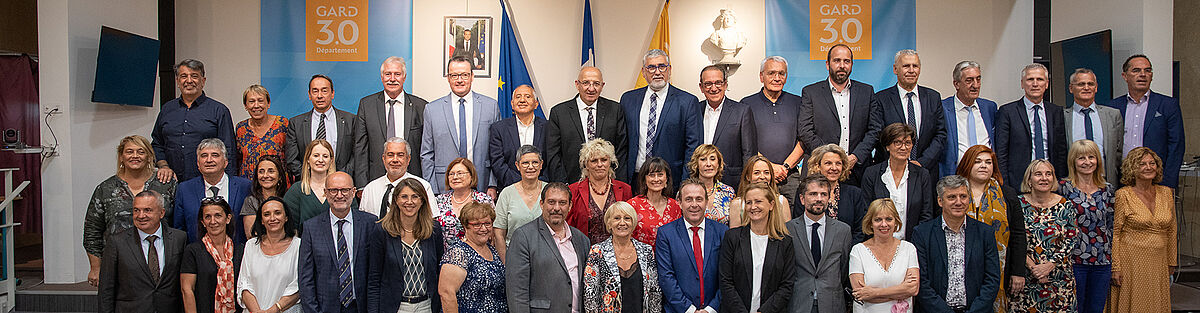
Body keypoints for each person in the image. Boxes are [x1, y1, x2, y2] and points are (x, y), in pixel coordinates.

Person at [84, 135, 177, 287]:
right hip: (118, 263)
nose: (135, 156)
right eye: (129, 152)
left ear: (149, 157)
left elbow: (177, 223)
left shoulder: (166, 184)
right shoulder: (105, 188)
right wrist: (96, 267)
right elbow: (92, 231)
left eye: (141, 152)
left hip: (159, 262)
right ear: (121, 157)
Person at [911, 175, 1001, 313]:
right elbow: (921, 282)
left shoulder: (985, 232)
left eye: (963, 196)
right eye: (952, 197)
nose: (958, 202)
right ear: (940, 201)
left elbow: (992, 279)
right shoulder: (922, 233)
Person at [954, 145, 1027, 310]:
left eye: (988, 162)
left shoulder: (1007, 194)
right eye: (977, 161)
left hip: (999, 270)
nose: (983, 165)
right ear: (967, 164)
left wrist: (1018, 271)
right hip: (959, 267)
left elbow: (1018, 235)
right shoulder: (953, 193)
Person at [798, 44, 881, 186]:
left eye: (846, 61)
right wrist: (830, 159)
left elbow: (875, 130)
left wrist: (855, 157)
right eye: (837, 61)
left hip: (858, 170)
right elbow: (805, 130)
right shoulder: (811, 92)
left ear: (852, 64)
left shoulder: (866, 92)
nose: (842, 65)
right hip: (820, 170)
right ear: (827, 64)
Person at [1108, 147, 1177, 313]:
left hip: (1158, 263)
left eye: (1152, 163)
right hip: (1131, 262)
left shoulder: (1167, 193)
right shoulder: (1123, 195)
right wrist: (1115, 267)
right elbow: (1115, 233)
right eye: (1142, 164)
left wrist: (1172, 262)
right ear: (1132, 168)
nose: (1148, 167)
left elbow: (1172, 230)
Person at [297, 172, 377, 313]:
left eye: (345, 190)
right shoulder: (311, 228)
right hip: (325, 308)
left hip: (361, 306)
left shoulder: (370, 223)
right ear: (325, 193)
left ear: (353, 192)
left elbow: (376, 273)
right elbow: (306, 279)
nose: (339, 195)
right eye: (333, 190)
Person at [620, 49, 702, 186]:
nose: (657, 72)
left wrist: (685, 184)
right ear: (643, 72)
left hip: (671, 181)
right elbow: (622, 144)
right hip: (635, 179)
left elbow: (692, 148)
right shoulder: (628, 100)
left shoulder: (687, 102)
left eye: (662, 67)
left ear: (669, 70)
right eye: (651, 67)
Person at [506, 182, 591, 313]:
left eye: (562, 203)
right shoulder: (523, 237)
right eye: (551, 202)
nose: (556, 208)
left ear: (570, 206)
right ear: (542, 204)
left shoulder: (581, 239)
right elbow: (517, 291)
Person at [98, 190, 187, 313]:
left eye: (147, 210)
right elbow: (106, 290)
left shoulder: (179, 239)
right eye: (136, 210)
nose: (141, 215)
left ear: (161, 213)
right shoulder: (117, 242)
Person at [422, 56, 500, 195]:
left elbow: (497, 151)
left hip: (481, 184)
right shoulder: (432, 109)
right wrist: (431, 188)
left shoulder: (491, 106)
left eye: (464, 75)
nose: (459, 80)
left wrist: (492, 184)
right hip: (443, 187)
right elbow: (427, 153)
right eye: (454, 75)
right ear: (448, 77)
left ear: (472, 76)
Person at [1106, 54, 1185, 188]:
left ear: (1151, 76)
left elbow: (1176, 146)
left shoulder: (1168, 105)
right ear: (1125, 76)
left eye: (1147, 70)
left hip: (1157, 182)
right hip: (1122, 181)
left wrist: (1167, 183)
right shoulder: (1112, 107)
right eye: (1136, 70)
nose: (1143, 74)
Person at [152, 59, 237, 183]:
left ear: (203, 81)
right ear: (177, 81)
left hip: (207, 183)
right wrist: (163, 166)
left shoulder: (219, 110)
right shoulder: (167, 109)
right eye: (184, 76)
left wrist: (228, 184)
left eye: (194, 76)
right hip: (170, 181)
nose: (189, 81)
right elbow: (157, 144)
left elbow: (229, 150)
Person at [368, 178, 445, 313]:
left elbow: (440, 270)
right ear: (396, 200)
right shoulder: (382, 231)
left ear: (422, 201)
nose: (409, 202)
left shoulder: (433, 229)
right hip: (396, 307)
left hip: (427, 306)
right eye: (404, 196)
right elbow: (374, 279)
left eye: (415, 196)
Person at [1010, 160, 1078, 311]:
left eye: (1049, 174)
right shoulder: (1017, 204)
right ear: (1029, 179)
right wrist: (1034, 268)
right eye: (1038, 174)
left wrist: (1049, 265)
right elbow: (1012, 238)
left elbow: (1071, 239)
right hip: (1026, 279)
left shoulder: (1065, 205)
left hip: (1059, 280)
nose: (1044, 178)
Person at [718, 183, 796, 313]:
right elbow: (725, 281)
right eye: (749, 202)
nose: (753, 207)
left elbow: (786, 285)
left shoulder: (784, 242)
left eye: (758, 201)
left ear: (771, 205)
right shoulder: (732, 237)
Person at [1057, 140, 1114, 313]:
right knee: (1075, 307)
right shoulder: (1063, 188)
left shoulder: (1107, 189)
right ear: (1073, 161)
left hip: (1102, 261)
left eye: (1091, 157)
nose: (1087, 162)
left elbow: (1111, 226)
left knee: (1096, 308)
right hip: (1074, 260)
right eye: (1081, 158)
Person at [655, 178, 728, 313]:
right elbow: (666, 276)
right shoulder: (666, 234)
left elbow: (727, 276)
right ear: (680, 203)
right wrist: (689, 310)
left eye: (699, 199)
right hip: (678, 310)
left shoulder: (722, 232)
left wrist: (711, 309)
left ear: (706, 202)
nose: (694, 205)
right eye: (688, 199)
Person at [741, 56, 807, 202]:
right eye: (771, 73)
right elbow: (746, 142)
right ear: (761, 76)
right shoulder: (746, 104)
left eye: (781, 74)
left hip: (790, 176)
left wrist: (785, 167)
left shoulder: (798, 102)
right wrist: (769, 168)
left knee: (790, 221)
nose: (777, 78)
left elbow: (804, 139)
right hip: (759, 176)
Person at [547, 66, 629, 183]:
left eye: (596, 84)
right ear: (577, 84)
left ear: (602, 86)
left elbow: (621, 150)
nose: (591, 88)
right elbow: (554, 154)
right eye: (586, 83)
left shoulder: (615, 110)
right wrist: (562, 185)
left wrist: (618, 183)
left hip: (607, 184)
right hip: (571, 183)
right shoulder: (559, 113)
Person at [354, 56, 429, 183]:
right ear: (382, 77)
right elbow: (360, 148)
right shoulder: (367, 105)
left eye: (397, 74)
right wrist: (361, 184)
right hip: (376, 179)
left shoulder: (421, 106)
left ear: (404, 77)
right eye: (388, 74)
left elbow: (426, 150)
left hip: (412, 179)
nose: (392, 79)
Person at [994, 63, 1068, 188]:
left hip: (1049, 182)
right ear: (1022, 84)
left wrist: (1060, 183)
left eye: (1039, 79)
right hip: (1018, 183)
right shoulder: (1008, 111)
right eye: (1030, 79)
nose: (1035, 84)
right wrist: (1005, 186)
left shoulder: (1056, 112)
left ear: (1047, 84)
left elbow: (1061, 151)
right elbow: (1001, 153)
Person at [785, 177, 852, 313]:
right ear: (802, 199)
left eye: (824, 194)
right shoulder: (788, 229)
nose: (819, 199)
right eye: (813, 194)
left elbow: (843, 269)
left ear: (829, 198)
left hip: (831, 303)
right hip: (798, 303)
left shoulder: (843, 230)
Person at [873, 49, 946, 172]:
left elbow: (940, 134)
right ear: (895, 69)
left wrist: (922, 162)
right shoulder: (880, 99)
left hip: (926, 170)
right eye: (906, 66)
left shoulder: (933, 97)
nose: (911, 70)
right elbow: (878, 135)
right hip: (890, 170)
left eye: (915, 66)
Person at [583, 201, 664, 312]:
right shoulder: (597, 252)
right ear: (609, 223)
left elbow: (655, 293)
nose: (622, 223)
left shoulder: (646, 251)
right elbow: (590, 295)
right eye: (616, 218)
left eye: (627, 218)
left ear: (633, 222)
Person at [860, 123, 934, 240]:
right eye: (898, 142)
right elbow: (866, 212)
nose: (903, 147)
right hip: (878, 243)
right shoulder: (871, 174)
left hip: (912, 244)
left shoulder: (922, 175)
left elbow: (926, 214)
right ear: (887, 146)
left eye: (908, 143)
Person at [174, 138, 252, 244]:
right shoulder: (184, 189)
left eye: (215, 155)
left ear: (225, 162)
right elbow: (179, 230)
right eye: (204, 156)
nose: (209, 160)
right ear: (198, 163)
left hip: (239, 255)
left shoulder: (245, 186)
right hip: (198, 256)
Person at [848, 199, 920, 313]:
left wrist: (874, 293)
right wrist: (900, 291)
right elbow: (860, 294)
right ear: (870, 223)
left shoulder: (909, 249)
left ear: (896, 221)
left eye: (889, 219)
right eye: (878, 219)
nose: (884, 224)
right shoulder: (858, 251)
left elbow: (913, 289)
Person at [285, 74, 358, 182]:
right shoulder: (296, 123)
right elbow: (292, 159)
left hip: (342, 185)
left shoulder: (351, 120)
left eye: (324, 91)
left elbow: (357, 155)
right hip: (308, 186)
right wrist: (311, 178)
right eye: (315, 91)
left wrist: (338, 177)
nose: (319, 95)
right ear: (309, 95)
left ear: (332, 93)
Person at [438, 202, 506, 312]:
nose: (483, 229)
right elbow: (446, 294)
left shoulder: (491, 250)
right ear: (465, 226)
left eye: (487, 223)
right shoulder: (458, 253)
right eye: (477, 225)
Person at [236, 197, 301, 313]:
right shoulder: (251, 245)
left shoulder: (298, 246)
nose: (272, 218)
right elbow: (244, 284)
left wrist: (273, 310)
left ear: (286, 217)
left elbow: (297, 287)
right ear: (261, 220)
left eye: (277, 213)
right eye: (266, 214)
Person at [181, 198, 245, 313]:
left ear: (228, 218)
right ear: (202, 222)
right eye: (207, 217)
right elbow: (187, 289)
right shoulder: (193, 251)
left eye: (218, 215)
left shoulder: (241, 250)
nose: (213, 221)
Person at [1063, 68, 1124, 187]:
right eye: (1081, 84)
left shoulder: (1113, 115)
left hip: (1106, 182)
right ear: (1071, 88)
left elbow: (1118, 153)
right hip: (1073, 184)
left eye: (1090, 84)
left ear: (1096, 88)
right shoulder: (1062, 116)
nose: (1086, 88)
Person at [697, 65, 756, 188]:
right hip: (698, 182)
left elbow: (748, 153)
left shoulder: (742, 111)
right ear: (701, 87)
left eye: (718, 83)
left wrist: (746, 185)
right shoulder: (694, 110)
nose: (714, 88)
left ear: (725, 85)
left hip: (731, 182)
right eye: (708, 84)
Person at [940, 61, 998, 178]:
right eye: (969, 80)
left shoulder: (989, 107)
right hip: (955, 177)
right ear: (956, 84)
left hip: (985, 178)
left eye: (978, 79)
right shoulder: (943, 108)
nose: (975, 85)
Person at [568, 138, 633, 243]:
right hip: (585, 251)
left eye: (604, 160)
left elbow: (631, 223)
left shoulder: (625, 189)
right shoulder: (573, 190)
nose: (599, 164)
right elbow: (569, 227)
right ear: (586, 164)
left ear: (610, 162)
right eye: (594, 161)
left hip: (618, 251)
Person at [801, 144, 868, 242]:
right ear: (818, 166)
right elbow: (799, 226)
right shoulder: (806, 191)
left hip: (848, 251)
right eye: (828, 163)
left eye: (838, 163)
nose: (834, 168)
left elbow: (860, 230)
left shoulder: (855, 194)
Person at [358, 138, 436, 218]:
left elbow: (432, 221)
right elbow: (363, 222)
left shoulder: (423, 186)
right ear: (384, 159)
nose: (395, 160)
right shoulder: (370, 189)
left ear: (408, 159)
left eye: (400, 155)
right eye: (390, 155)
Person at [489, 85, 548, 187]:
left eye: (527, 96)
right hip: (509, 187)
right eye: (518, 97)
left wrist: (540, 183)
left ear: (536, 104)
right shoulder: (499, 128)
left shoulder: (548, 127)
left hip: (542, 188)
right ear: (512, 104)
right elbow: (497, 161)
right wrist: (518, 184)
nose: (522, 100)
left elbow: (552, 159)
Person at [493, 145, 548, 245]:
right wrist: (505, 260)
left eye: (535, 162)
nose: (530, 167)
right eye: (525, 163)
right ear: (517, 165)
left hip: (546, 254)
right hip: (514, 254)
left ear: (541, 165)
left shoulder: (549, 191)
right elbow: (499, 233)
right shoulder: (507, 194)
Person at [435, 158, 494, 246]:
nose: (455, 177)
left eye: (460, 173)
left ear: (471, 176)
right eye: (451, 174)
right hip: (446, 256)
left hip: (479, 255)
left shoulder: (484, 200)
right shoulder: (439, 201)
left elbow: (492, 233)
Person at [235, 85, 290, 179]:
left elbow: (290, 155)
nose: (256, 106)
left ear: (268, 104)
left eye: (260, 101)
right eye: (251, 101)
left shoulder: (282, 124)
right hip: (248, 185)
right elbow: (238, 159)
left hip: (277, 186)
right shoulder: (241, 128)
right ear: (245, 105)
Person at [282, 140, 338, 228]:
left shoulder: (341, 189)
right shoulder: (296, 191)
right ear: (308, 159)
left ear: (331, 161)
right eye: (316, 156)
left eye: (325, 156)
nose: (321, 160)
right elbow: (289, 227)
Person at [628, 157, 680, 247]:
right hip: (641, 258)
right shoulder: (632, 205)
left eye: (660, 175)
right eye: (652, 175)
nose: (656, 179)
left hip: (669, 258)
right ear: (644, 180)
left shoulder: (675, 205)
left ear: (666, 179)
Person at [730, 155, 792, 228]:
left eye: (766, 173)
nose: (762, 177)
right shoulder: (737, 204)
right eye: (756, 173)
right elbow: (734, 237)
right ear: (748, 177)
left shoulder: (781, 201)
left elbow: (788, 233)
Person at [688, 145, 739, 226]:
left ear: (718, 164)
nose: (708, 164)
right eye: (703, 159)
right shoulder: (686, 191)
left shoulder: (728, 192)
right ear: (696, 164)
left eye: (712, 159)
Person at [239, 155, 288, 238]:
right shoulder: (251, 201)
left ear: (280, 176)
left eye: (271, 171)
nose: (265, 175)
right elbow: (251, 235)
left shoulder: (288, 199)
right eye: (261, 172)